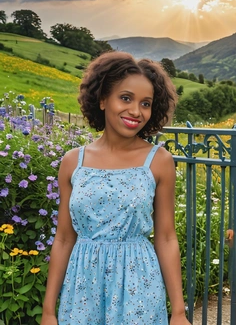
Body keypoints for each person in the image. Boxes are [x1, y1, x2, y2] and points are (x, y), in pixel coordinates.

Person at [41, 52, 191, 324]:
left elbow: (166, 237)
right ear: (101, 99)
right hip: (82, 288)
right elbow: (64, 238)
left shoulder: (159, 161)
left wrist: (178, 312)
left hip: (139, 286)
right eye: (126, 98)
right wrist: (49, 311)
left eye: (145, 103)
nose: (136, 111)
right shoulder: (73, 162)